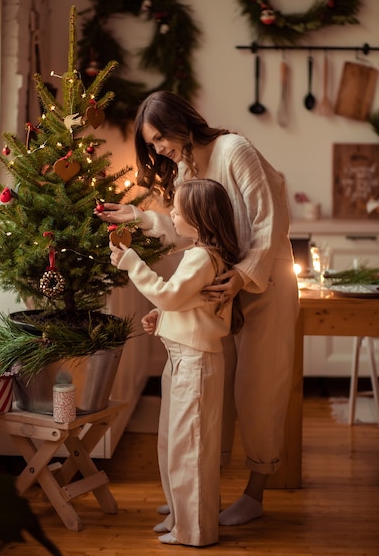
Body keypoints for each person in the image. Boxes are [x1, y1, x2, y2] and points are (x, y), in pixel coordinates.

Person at [97, 90, 299, 527]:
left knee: (258, 388)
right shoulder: (187, 166)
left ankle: (255, 493)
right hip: (220, 286)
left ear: (179, 124)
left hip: (265, 280)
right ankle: (198, 489)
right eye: (151, 145)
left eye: (157, 140)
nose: (157, 150)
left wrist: (244, 275)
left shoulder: (234, 150)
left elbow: (270, 219)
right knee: (214, 390)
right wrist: (135, 216)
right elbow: (185, 228)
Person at [109, 179, 244, 546]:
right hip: (181, 357)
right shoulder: (200, 254)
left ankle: (194, 530)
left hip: (195, 362)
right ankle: (180, 515)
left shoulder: (201, 256)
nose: (171, 214)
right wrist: (162, 315)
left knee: (191, 448)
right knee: (174, 442)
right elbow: (185, 301)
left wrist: (131, 262)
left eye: (178, 211)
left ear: (199, 221)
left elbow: (170, 294)